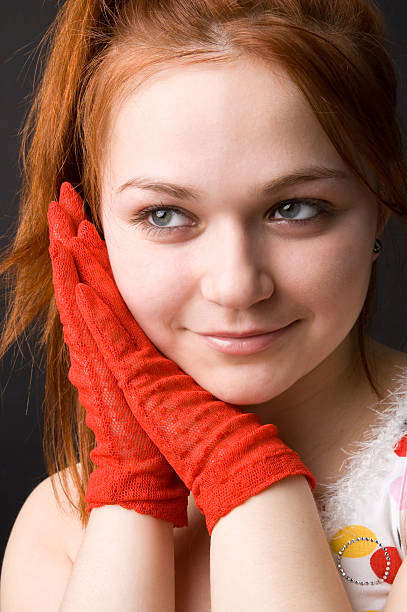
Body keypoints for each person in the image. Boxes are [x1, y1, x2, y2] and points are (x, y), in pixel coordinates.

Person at [1, 0, 407, 609]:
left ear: (379, 200)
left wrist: (234, 461)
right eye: (165, 216)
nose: (237, 286)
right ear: (89, 228)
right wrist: (134, 490)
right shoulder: (63, 527)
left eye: (295, 208)